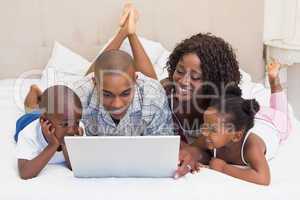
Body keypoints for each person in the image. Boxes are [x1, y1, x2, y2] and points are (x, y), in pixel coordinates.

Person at [193, 61, 292, 185]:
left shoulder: (251, 146)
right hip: (253, 117)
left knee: (281, 114)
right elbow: (191, 149)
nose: (204, 132)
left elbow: (263, 178)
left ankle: (274, 81)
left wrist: (224, 168)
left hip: (271, 123)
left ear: (236, 136)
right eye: (204, 125)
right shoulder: (209, 137)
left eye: (212, 129)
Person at [16, 85, 83, 180]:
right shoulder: (28, 134)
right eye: (65, 124)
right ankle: (34, 90)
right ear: (44, 120)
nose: (72, 130)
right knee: (31, 110)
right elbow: (25, 173)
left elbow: (75, 167)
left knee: (43, 110)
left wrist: (66, 144)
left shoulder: (78, 129)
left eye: (76, 122)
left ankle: (41, 100)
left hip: (54, 116)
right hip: (29, 120)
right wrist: (53, 145)